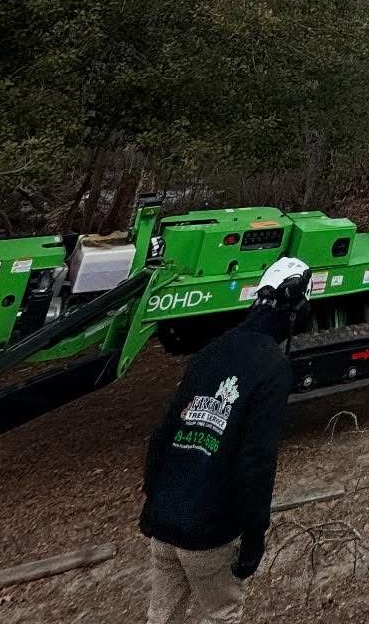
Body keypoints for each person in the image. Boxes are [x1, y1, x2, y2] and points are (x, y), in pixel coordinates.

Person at [140, 256, 311, 624]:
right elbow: (257, 460)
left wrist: (151, 504)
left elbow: (163, 434)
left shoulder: (209, 352)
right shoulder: (272, 367)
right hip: (209, 531)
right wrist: (255, 534)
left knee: (161, 616)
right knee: (221, 614)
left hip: (164, 520)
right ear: (295, 310)